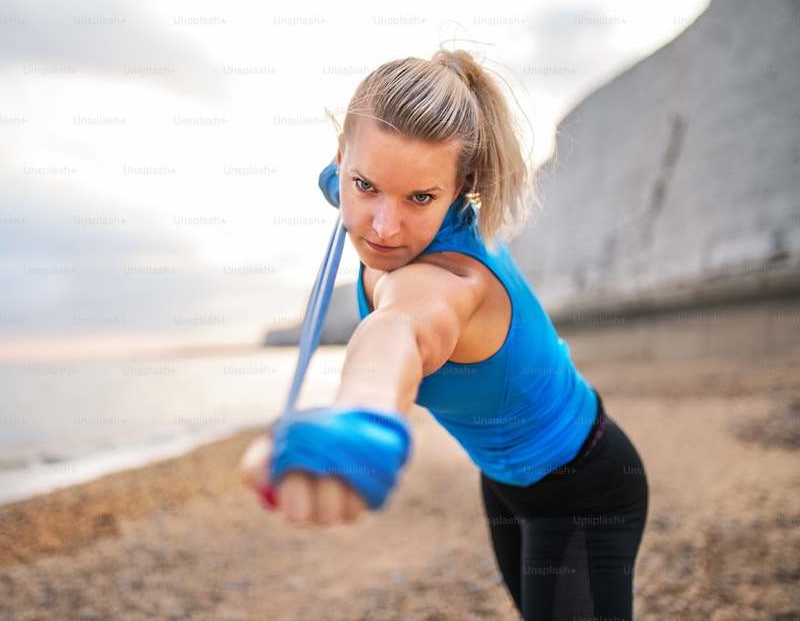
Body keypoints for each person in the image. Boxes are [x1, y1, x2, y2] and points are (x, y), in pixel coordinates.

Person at [240, 49, 649, 620]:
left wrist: (361, 416)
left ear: (462, 188)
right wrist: (364, 187)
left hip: (583, 490)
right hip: (505, 482)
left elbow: (398, 331)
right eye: (365, 185)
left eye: (421, 197)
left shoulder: (449, 281)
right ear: (340, 162)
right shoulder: (372, 208)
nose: (383, 227)